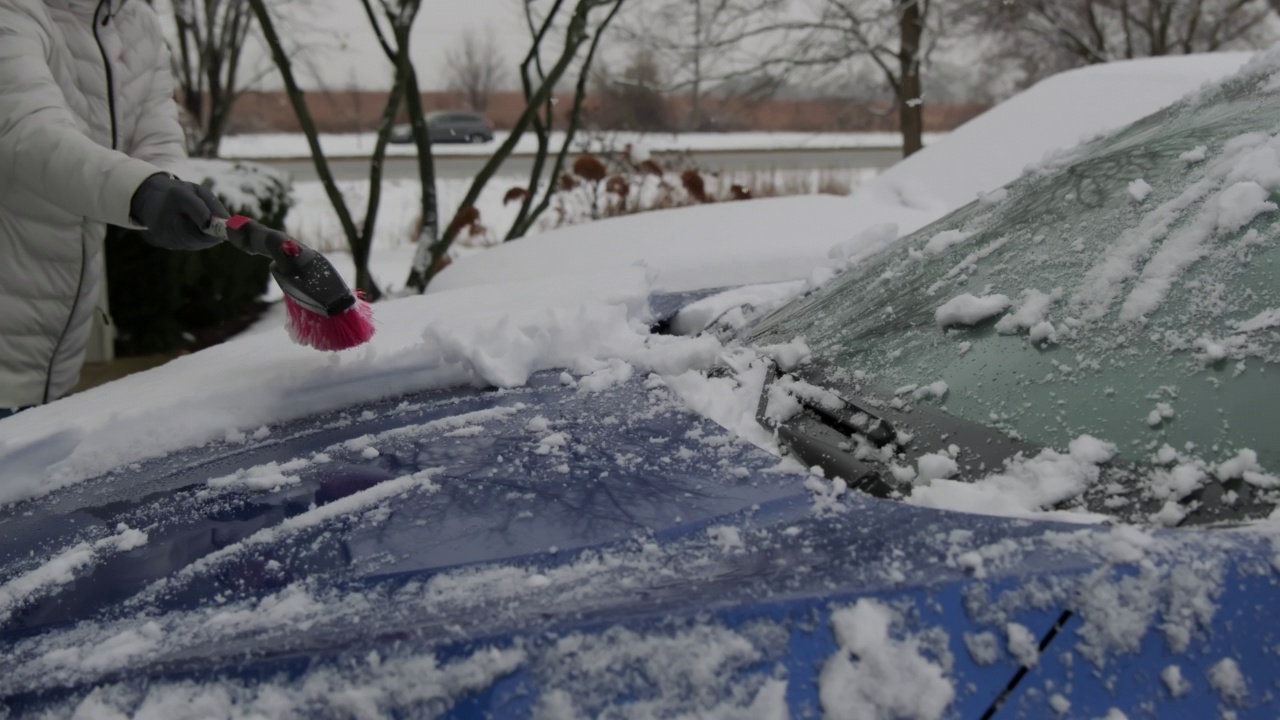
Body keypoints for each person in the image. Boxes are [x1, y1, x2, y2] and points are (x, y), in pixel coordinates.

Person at [0, 0, 226, 419]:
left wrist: (172, 191)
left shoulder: (133, 20)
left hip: (53, 346)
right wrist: (139, 193)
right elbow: (26, 132)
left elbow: (156, 139)